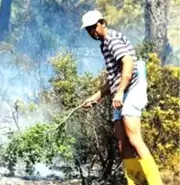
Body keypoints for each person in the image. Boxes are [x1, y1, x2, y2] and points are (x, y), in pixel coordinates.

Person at [80, 10, 163, 185]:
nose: (92, 32)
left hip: (133, 85)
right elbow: (114, 78)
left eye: (93, 27)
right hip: (123, 88)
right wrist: (95, 97)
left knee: (133, 137)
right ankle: (136, 182)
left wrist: (119, 92)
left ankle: (156, 183)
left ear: (102, 23)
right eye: (88, 30)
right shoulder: (104, 44)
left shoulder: (112, 39)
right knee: (121, 140)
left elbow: (128, 62)